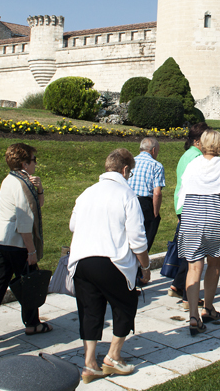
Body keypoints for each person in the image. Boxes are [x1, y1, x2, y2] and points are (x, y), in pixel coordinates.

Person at [68, 149, 151, 384]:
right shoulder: (127, 195)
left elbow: (73, 224)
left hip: (82, 261)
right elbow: (137, 238)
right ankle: (113, 356)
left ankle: (89, 363)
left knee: (90, 310)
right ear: (125, 170)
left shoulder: (87, 193)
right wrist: (145, 266)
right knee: (126, 304)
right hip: (110, 260)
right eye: (130, 172)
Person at [0, 143, 51, 342]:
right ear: (25, 164)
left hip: (2, 239)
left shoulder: (12, 180)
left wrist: (40, 188)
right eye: (34, 160)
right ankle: (33, 324)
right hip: (17, 242)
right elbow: (24, 220)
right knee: (29, 282)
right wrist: (31, 250)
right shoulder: (21, 185)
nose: (35, 164)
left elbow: (37, 206)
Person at [177, 130, 220, 335]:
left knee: (193, 267)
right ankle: (208, 307)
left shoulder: (192, 164)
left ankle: (193, 315)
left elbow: (183, 190)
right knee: (214, 263)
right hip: (213, 216)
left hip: (191, 216)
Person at [168, 122, 210, 308]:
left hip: (183, 205)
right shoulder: (197, 157)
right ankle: (188, 296)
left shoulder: (187, 155)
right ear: (197, 141)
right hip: (193, 206)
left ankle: (177, 286)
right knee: (193, 253)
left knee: (187, 250)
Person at [128, 137, 166, 254]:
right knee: (144, 242)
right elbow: (157, 193)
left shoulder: (130, 163)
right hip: (145, 204)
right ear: (153, 150)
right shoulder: (156, 165)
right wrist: (155, 213)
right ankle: (142, 262)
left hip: (128, 202)